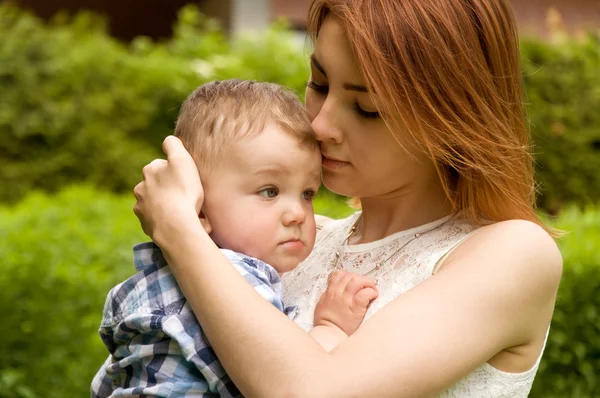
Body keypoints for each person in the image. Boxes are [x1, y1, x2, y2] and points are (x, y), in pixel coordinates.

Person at [131, 0, 564, 396]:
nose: (319, 124)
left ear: (451, 117)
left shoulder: (512, 254)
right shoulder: (295, 241)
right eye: (319, 83)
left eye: (367, 108)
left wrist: (180, 231)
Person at [91, 79, 378, 397]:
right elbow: (283, 374)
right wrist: (331, 328)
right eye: (269, 191)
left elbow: (111, 381)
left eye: (307, 193)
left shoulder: (145, 285)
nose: (297, 213)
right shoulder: (239, 276)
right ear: (199, 204)